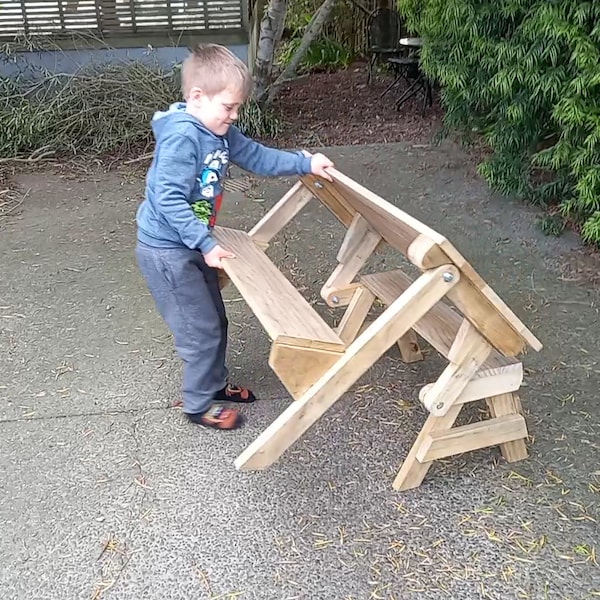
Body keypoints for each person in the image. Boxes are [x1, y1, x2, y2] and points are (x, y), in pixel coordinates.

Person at [135, 43, 334, 430]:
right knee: (199, 330)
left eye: (238, 107)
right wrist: (206, 243)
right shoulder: (182, 137)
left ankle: (215, 384)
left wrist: (305, 162)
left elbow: (258, 156)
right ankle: (197, 405)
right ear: (197, 97)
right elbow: (168, 199)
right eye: (228, 107)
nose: (235, 114)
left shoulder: (219, 132)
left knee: (215, 321)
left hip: (189, 244)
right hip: (167, 251)